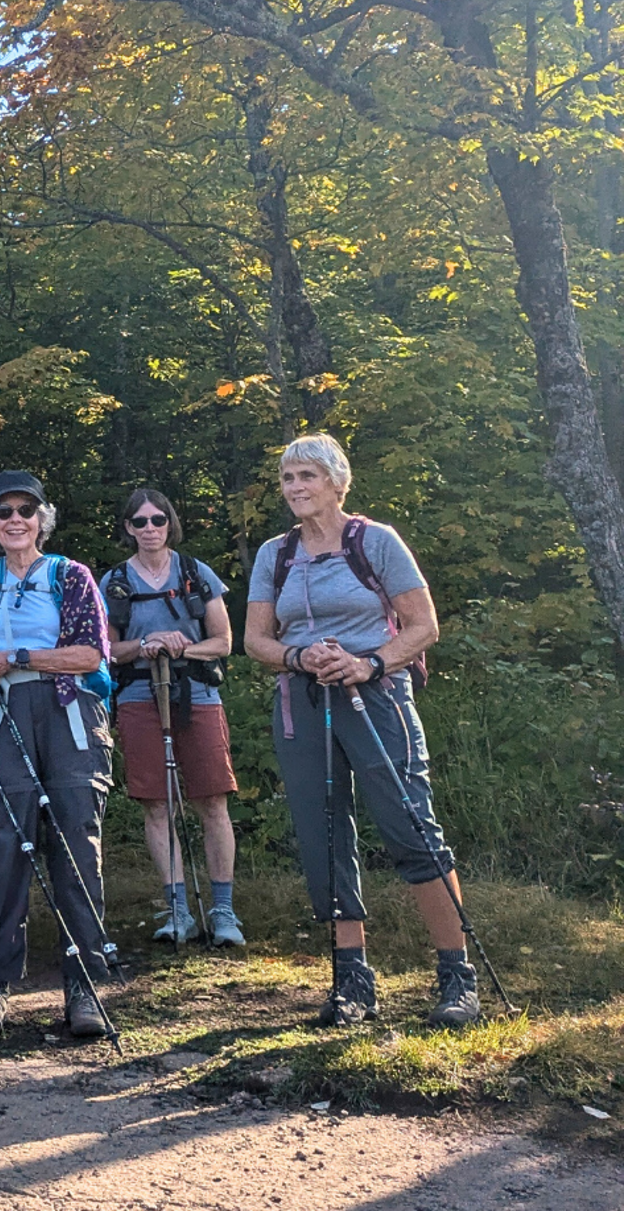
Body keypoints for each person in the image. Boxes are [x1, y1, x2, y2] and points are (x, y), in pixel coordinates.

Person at [243, 432, 477, 1027]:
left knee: (409, 826)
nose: (295, 487)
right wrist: (298, 657)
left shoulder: (376, 541)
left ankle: (457, 978)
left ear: (337, 483)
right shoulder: (275, 553)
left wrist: (369, 662)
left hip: (376, 695)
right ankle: (352, 983)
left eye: (307, 476)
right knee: (322, 835)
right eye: (288, 478)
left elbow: (423, 626)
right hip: (302, 700)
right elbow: (255, 640)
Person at [0, 470, 114, 1041]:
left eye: (26, 510)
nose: (15, 519)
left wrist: (14, 656)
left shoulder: (71, 575)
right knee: (3, 845)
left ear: (43, 518)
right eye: (3, 511)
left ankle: (85, 986)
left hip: (70, 715)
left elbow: (90, 655)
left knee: (75, 845)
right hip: (3, 716)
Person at [102, 488, 244, 948]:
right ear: (128, 528)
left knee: (212, 799)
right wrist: (146, 646)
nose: (150, 529)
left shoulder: (195, 572)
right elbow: (106, 649)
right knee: (157, 804)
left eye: (158, 520)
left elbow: (223, 641)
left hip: (197, 693)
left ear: (170, 522)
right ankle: (178, 909)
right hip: (139, 695)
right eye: (140, 521)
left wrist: (181, 646)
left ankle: (223, 910)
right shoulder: (115, 581)